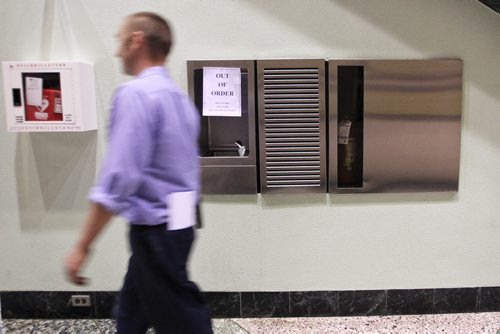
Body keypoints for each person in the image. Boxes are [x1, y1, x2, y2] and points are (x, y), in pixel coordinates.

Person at [64, 12, 213, 334]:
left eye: (119, 41)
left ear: (137, 40)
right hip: (180, 222)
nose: (117, 51)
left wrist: (82, 245)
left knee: (182, 315)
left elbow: (119, 178)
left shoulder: (136, 95)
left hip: (155, 227)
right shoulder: (179, 99)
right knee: (132, 311)